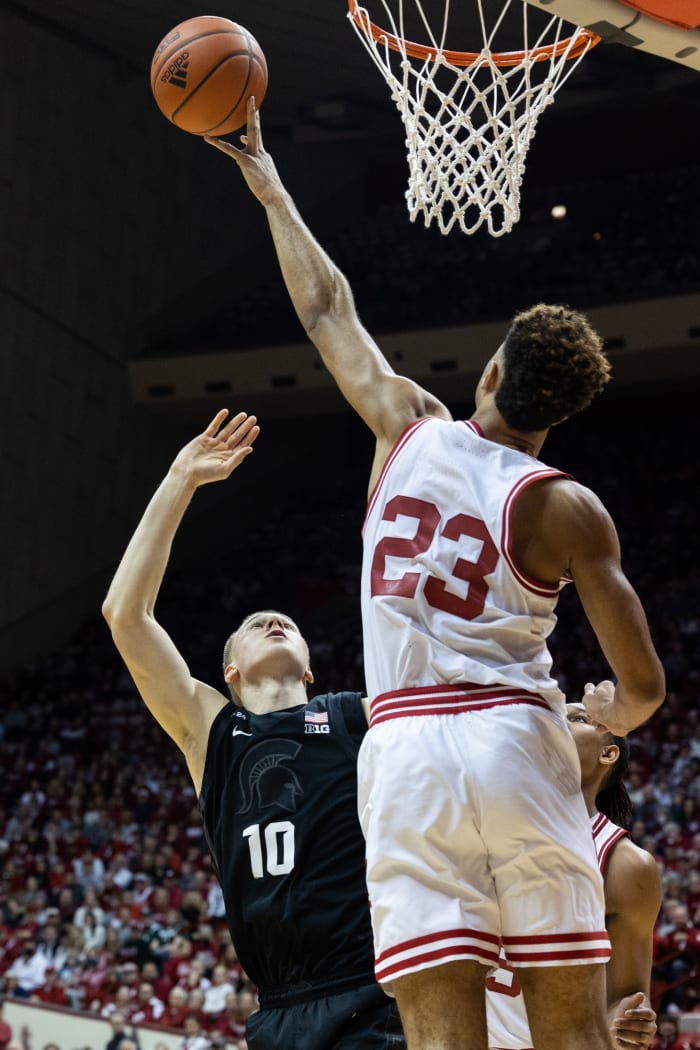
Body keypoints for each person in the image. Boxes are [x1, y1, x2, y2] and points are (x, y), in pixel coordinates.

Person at [206, 100, 666, 1050]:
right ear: (559, 413)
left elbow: (327, 306)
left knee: (440, 1039)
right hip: (514, 739)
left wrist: (266, 178)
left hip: (408, 750)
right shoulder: (566, 507)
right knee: (568, 1032)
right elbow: (645, 687)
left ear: (490, 373)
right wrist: (608, 720)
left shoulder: (408, 427)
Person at [102, 410, 405, 1050]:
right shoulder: (211, 729)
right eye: (255, 621)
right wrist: (181, 478)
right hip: (275, 1011)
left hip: (372, 990)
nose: (273, 619)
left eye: (286, 622)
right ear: (230, 670)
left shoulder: (356, 712)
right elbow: (125, 615)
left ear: (311, 667)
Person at [486, 700, 662, 1050]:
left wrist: (625, 1026)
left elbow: (622, 1003)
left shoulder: (626, 866)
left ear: (608, 753)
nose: (554, 721)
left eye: (577, 718)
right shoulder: (477, 826)